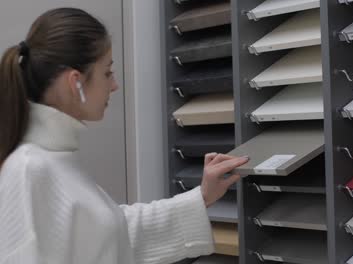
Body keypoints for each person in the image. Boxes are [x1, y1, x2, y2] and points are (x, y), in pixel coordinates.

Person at [0, 8, 248, 264]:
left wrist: (202, 197)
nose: (114, 85)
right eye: (107, 72)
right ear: (75, 82)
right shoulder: (29, 171)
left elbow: (109, 231)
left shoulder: (54, 162)